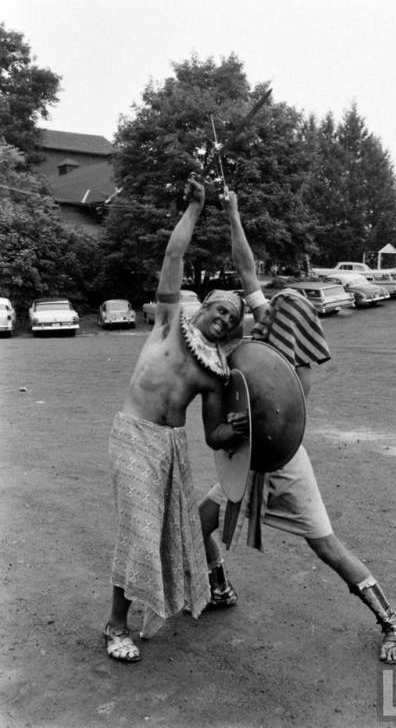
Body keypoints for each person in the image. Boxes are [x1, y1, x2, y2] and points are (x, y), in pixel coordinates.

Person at [199, 189, 396, 666]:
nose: (268, 310)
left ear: (296, 324)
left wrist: (242, 420)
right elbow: (247, 267)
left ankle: (392, 619)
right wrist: (233, 213)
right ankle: (219, 586)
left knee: (325, 544)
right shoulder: (267, 339)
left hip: (283, 461)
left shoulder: (297, 374)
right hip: (248, 460)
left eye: (280, 310)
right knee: (203, 519)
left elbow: (278, 421)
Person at [104, 174, 249, 663]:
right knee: (141, 530)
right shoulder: (169, 322)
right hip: (133, 435)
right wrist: (194, 208)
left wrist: (237, 430)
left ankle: (207, 590)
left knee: (175, 527)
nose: (225, 319)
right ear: (203, 307)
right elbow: (173, 258)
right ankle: (115, 626)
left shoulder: (215, 374)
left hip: (171, 446)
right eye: (220, 311)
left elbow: (213, 435)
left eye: (232, 319)